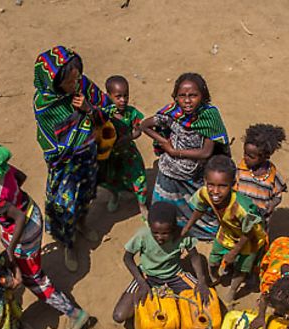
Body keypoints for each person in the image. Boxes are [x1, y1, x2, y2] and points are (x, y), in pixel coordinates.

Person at [0, 133, 92, 329]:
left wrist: (10, 249)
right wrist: (14, 197)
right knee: (29, 262)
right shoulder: (1, 166)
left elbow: (17, 217)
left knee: (33, 278)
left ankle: (75, 314)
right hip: (32, 214)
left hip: (23, 231)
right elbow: (21, 178)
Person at [33, 45, 115, 272]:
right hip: (64, 166)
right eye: (69, 82)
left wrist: (89, 109)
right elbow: (50, 142)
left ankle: (82, 224)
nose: (75, 84)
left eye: (77, 78)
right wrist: (70, 147)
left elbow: (107, 109)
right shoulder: (44, 104)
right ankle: (68, 244)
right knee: (65, 206)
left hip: (87, 158)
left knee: (86, 197)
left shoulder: (84, 87)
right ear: (54, 84)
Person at [141, 73, 229, 237]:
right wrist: (165, 143)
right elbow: (144, 126)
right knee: (165, 212)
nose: (187, 101)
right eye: (182, 96)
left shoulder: (210, 117)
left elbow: (206, 153)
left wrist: (175, 151)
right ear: (176, 97)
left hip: (194, 175)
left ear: (203, 96)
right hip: (168, 172)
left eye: (193, 95)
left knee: (202, 210)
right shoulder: (172, 114)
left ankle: (193, 230)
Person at [183, 155, 267, 300]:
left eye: (222, 186)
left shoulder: (241, 208)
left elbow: (249, 233)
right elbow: (201, 207)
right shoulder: (205, 193)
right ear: (205, 182)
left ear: (233, 184)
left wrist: (233, 253)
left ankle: (232, 292)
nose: (215, 191)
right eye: (211, 184)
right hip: (227, 232)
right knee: (214, 260)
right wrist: (187, 226)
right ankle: (215, 278)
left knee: (241, 269)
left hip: (249, 240)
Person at [112, 202, 211, 324]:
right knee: (119, 315)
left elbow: (195, 257)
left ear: (174, 228)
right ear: (150, 227)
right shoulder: (142, 235)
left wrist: (201, 281)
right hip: (147, 276)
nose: (160, 237)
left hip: (175, 275)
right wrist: (141, 282)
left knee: (207, 304)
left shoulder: (182, 235)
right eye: (155, 233)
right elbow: (127, 258)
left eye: (165, 233)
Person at [98, 75, 148, 214]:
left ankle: (142, 205)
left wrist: (127, 138)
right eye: (118, 96)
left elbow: (139, 129)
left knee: (139, 178)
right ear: (108, 96)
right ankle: (114, 196)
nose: (123, 100)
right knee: (110, 180)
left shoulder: (131, 113)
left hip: (129, 154)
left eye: (126, 96)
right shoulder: (105, 114)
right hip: (110, 157)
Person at [237, 123, 289, 219]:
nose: (245, 157)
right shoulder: (240, 171)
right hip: (237, 217)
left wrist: (272, 205)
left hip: (259, 221)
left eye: (251, 156)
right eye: (245, 153)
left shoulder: (273, 176)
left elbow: (278, 196)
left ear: (265, 156)